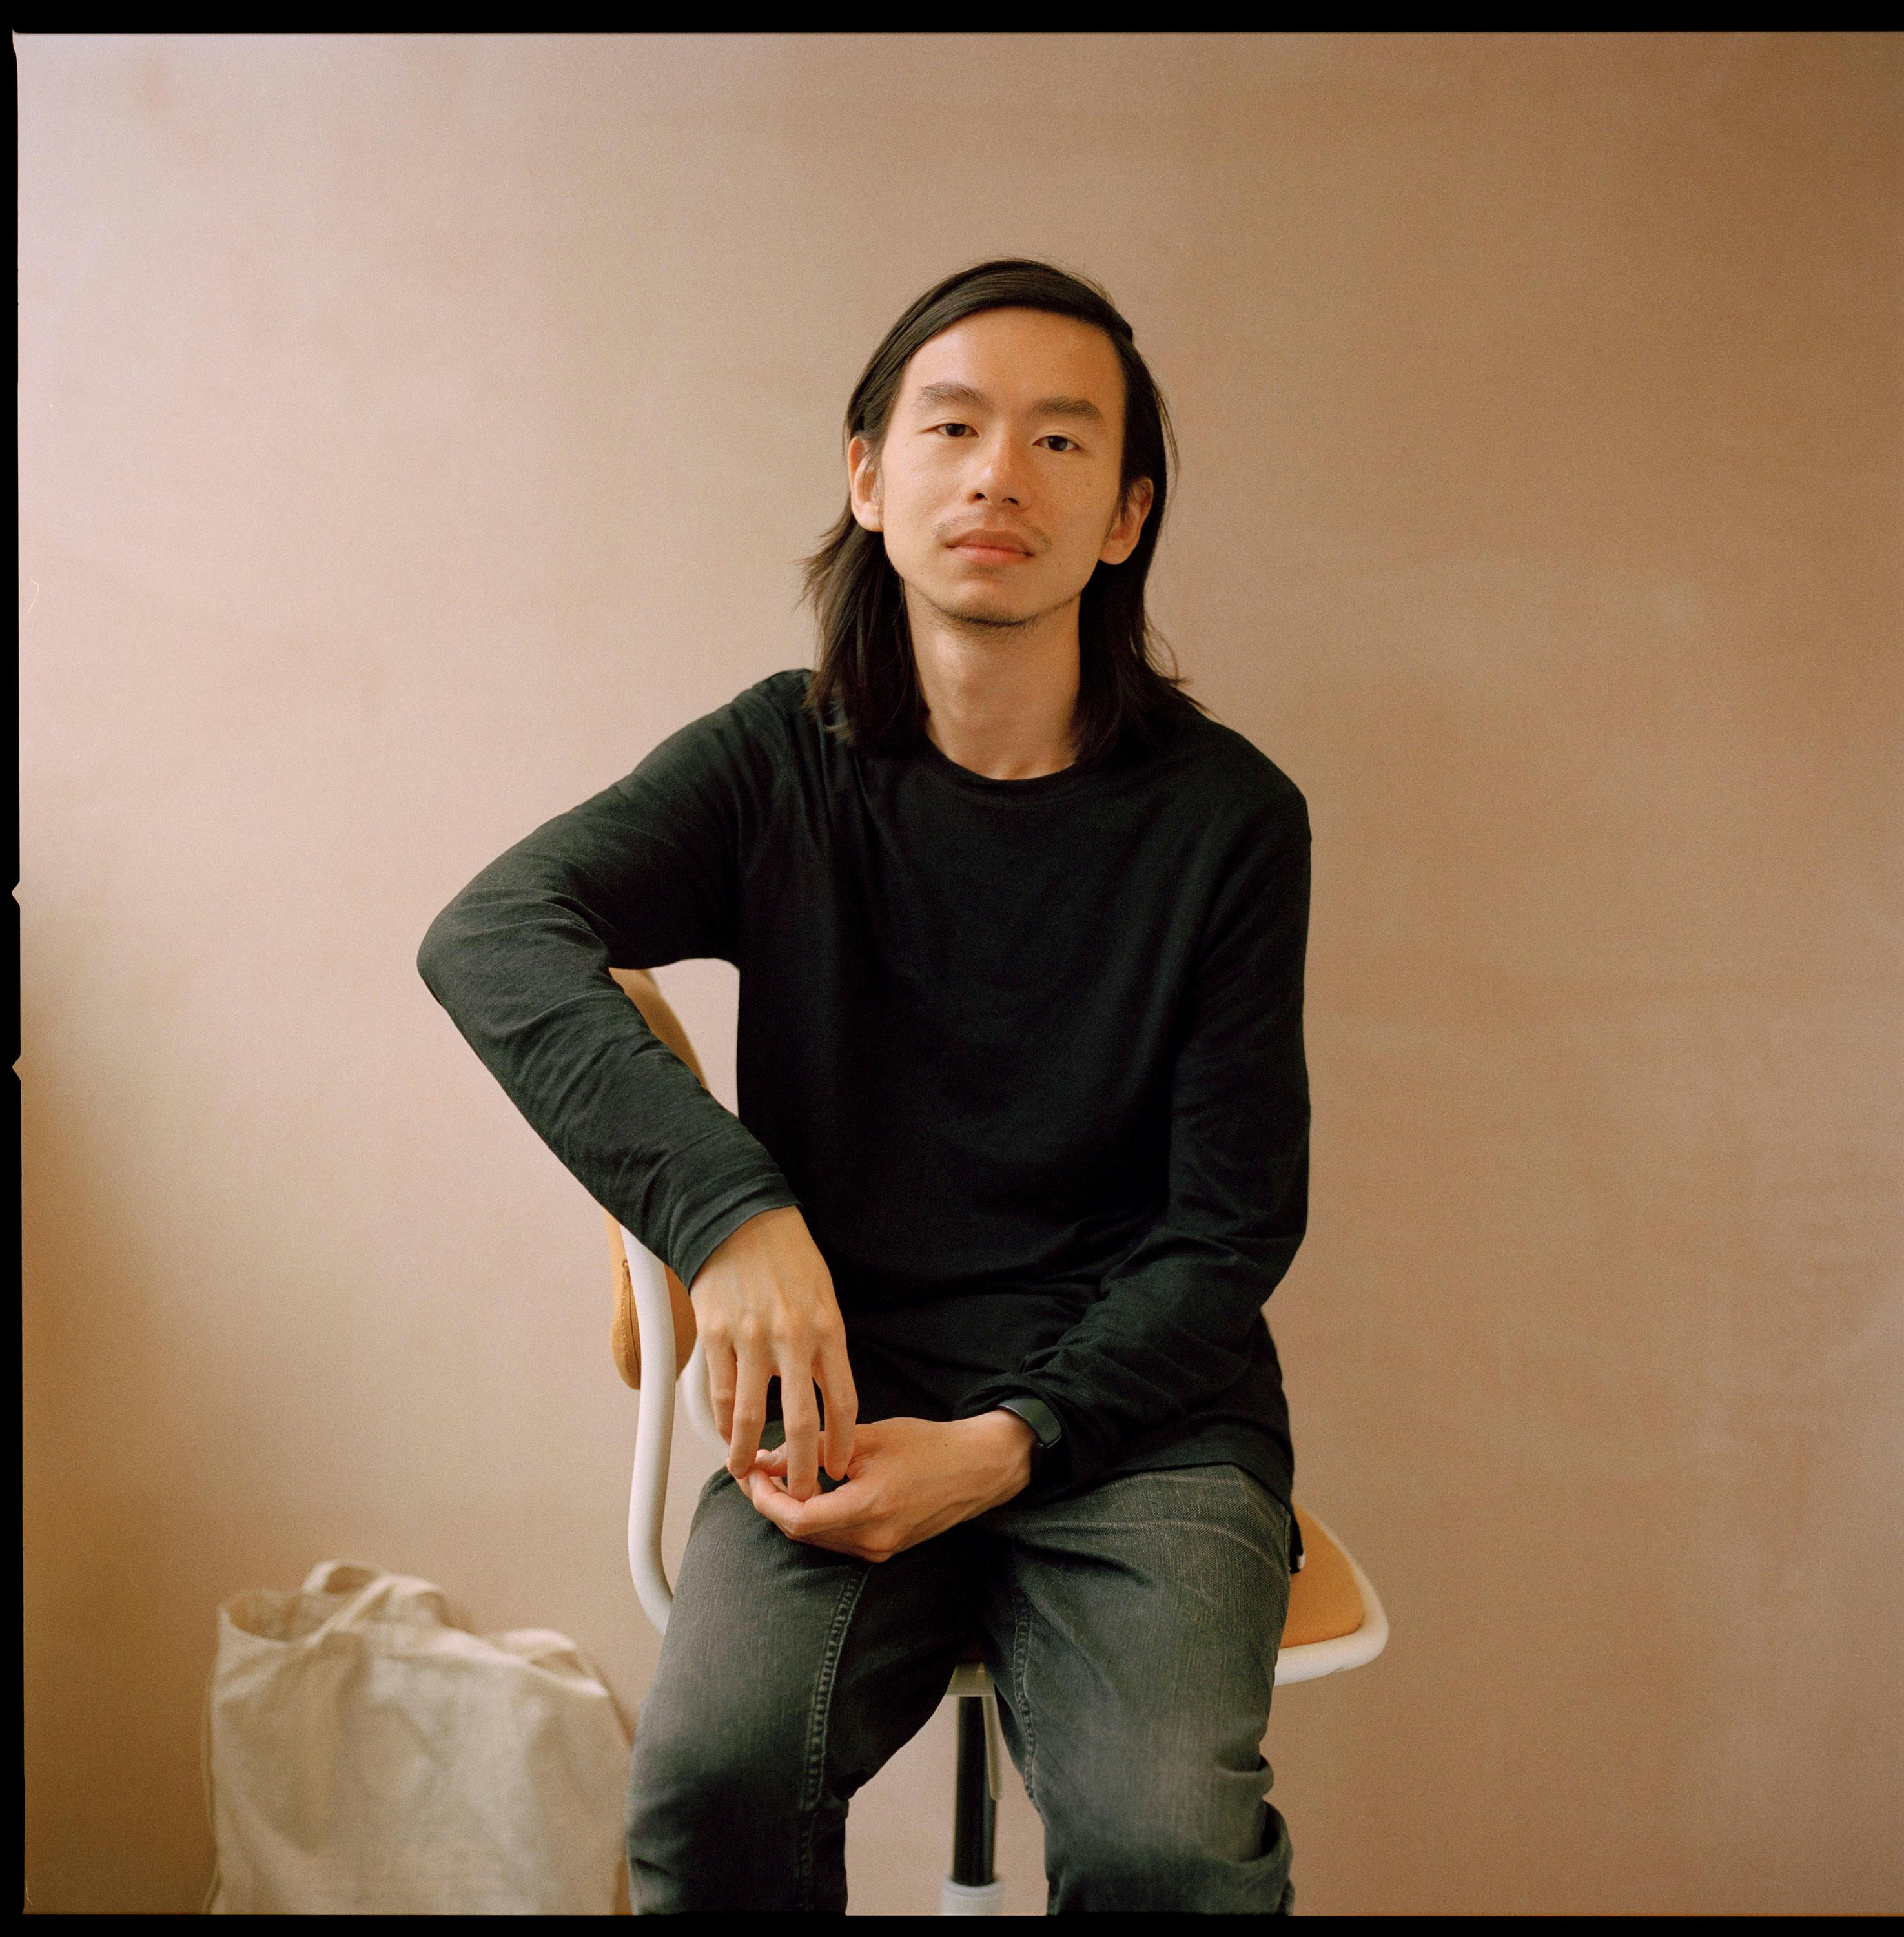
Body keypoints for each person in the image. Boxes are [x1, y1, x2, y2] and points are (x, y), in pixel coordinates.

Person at [417, 258, 1311, 1914]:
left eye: (1060, 441)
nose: (994, 473)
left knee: (1166, 1854)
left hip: (1140, 1429)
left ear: (1124, 518)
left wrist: (1012, 1442)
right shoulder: (780, 760)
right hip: (840, 1402)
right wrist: (731, 1213)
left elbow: (1231, 1231)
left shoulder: (1228, 819)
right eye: (952, 425)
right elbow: (496, 935)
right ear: (867, 476)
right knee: (707, 1797)